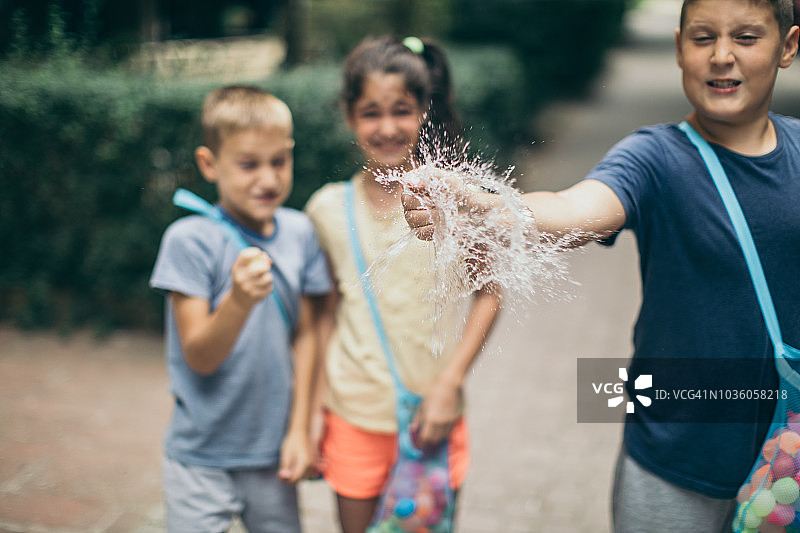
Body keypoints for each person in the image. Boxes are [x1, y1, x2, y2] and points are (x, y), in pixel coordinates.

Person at [402, 1, 800, 531]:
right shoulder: (653, 157)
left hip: (788, 461)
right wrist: (486, 205)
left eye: (746, 38)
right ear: (680, 45)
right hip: (670, 462)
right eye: (703, 38)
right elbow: (573, 209)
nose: (722, 56)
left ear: (788, 47)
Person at [304, 35, 501, 533]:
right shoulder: (327, 210)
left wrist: (449, 384)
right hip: (351, 416)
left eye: (402, 110)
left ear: (423, 113)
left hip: (432, 417)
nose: (387, 127)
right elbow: (323, 316)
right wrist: (310, 416)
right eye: (371, 112)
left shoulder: (452, 201)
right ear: (349, 116)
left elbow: (490, 291)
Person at [149, 85, 332, 533]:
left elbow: (307, 334)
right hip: (201, 456)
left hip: (272, 453)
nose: (267, 179)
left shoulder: (300, 232)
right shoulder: (189, 241)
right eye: (248, 164)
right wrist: (239, 301)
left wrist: (301, 426)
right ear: (209, 164)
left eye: (279, 161)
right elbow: (200, 356)